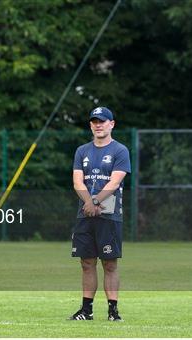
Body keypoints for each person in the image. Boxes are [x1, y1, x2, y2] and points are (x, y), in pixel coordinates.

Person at [69, 107, 131, 321]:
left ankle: (113, 311)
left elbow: (115, 181)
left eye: (102, 121)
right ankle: (86, 310)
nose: (98, 125)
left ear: (111, 124)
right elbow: (78, 181)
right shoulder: (82, 151)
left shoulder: (120, 150)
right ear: (90, 125)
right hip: (85, 212)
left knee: (110, 263)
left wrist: (95, 201)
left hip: (109, 212)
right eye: (94, 121)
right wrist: (88, 202)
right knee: (86, 262)